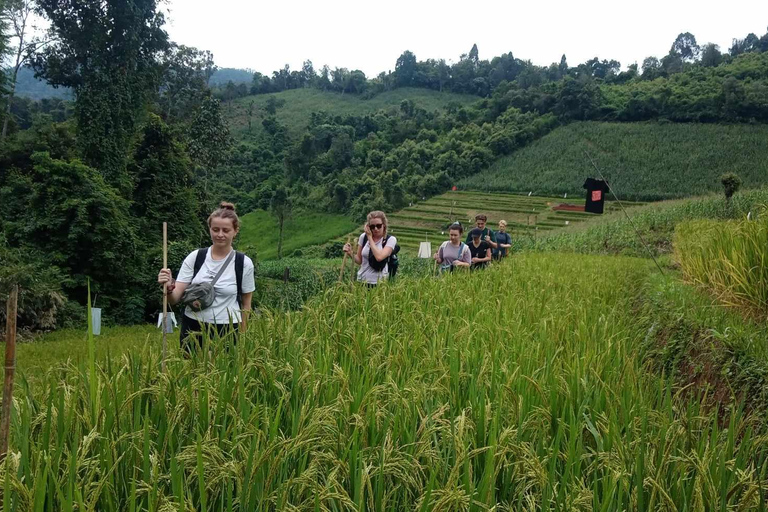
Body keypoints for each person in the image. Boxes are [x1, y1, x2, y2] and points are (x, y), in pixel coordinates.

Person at [157, 202, 255, 349]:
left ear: (235, 231)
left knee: (225, 371)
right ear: (209, 229)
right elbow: (174, 299)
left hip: (227, 330)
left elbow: (246, 305)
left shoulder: (243, 263)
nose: (220, 234)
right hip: (193, 328)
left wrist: (243, 335)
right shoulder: (196, 257)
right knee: (192, 370)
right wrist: (169, 287)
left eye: (226, 230)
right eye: (215, 229)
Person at [343, 211, 397, 286]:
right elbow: (359, 260)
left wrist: (370, 237)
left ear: (384, 225)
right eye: (372, 226)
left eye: (378, 226)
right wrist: (350, 253)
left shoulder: (390, 240)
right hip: (362, 280)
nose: (375, 229)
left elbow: (379, 257)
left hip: (379, 283)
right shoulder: (363, 237)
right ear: (368, 226)